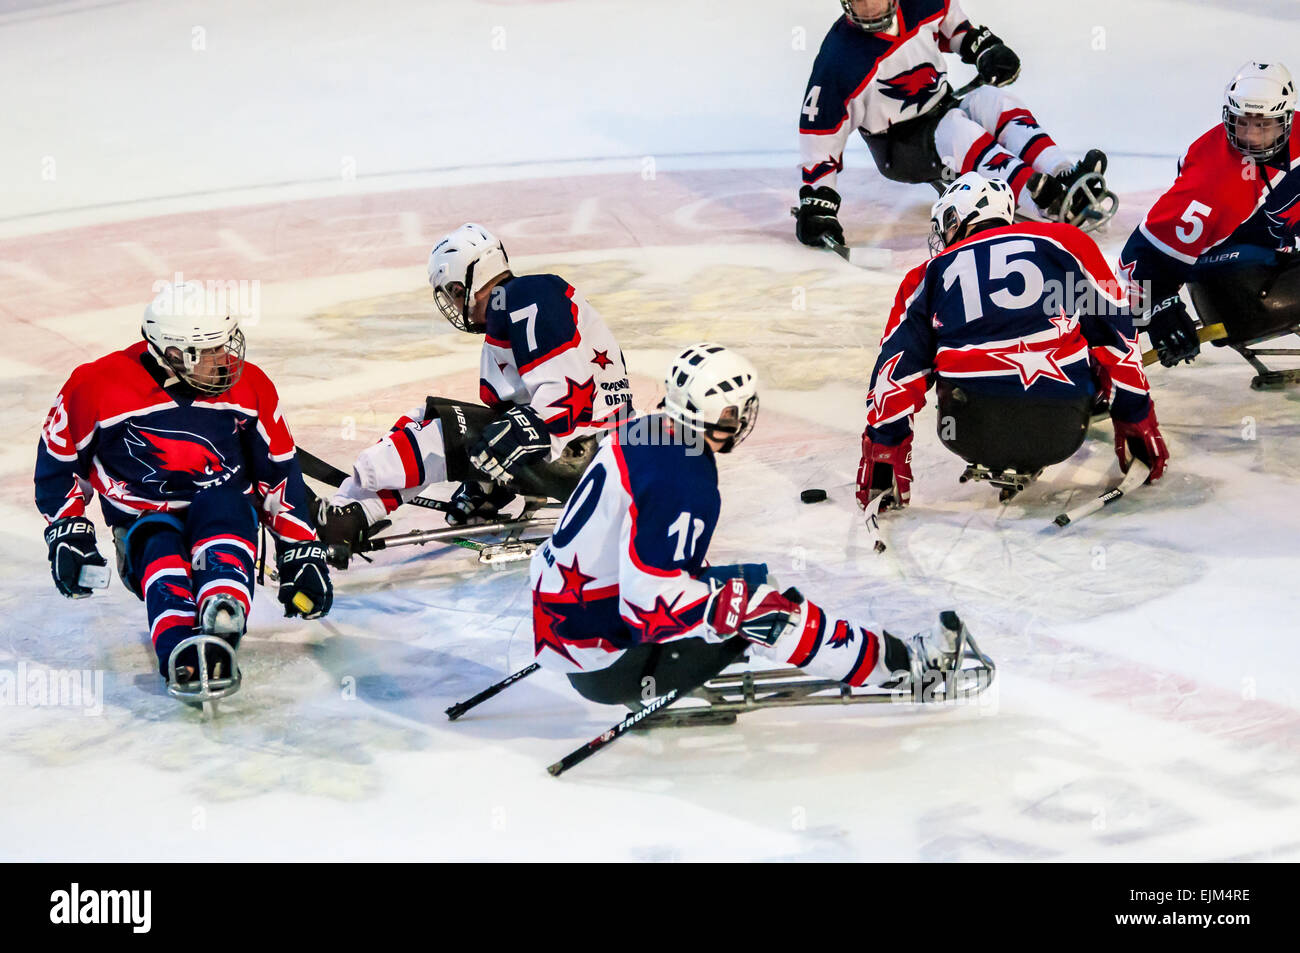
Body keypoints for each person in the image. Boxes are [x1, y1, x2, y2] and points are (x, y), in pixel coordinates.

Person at [527, 343, 966, 706]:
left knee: (753, 581)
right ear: (716, 416)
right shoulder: (684, 477)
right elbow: (648, 604)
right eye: (735, 413)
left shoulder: (644, 429)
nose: (741, 421)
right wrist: (738, 609)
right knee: (766, 608)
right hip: (606, 663)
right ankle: (902, 668)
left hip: (566, 625)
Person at [34, 280, 332, 698]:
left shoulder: (249, 386)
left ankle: (222, 606)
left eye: (225, 345)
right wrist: (68, 534)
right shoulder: (95, 387)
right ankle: (179, 646)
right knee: (159, 541)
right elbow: (57, 464)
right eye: (210, 351)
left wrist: (299, 550)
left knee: (225, 503)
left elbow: (278, 472)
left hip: (225, 511)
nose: (225, 359)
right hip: (141, 520)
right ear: (173, 354)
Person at [315, 223, 634, 556]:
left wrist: (525, 435)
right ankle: (356, 506)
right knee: (430, 421)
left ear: (463, 284)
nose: (454, 303)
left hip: (589, 452)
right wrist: (490, 484)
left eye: (452, 292)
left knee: (442, 431)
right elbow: (527, 410)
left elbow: (569, 399)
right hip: (594, 447)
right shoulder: (513, 306)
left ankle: (348, 513)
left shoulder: (525, 297)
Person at [856, 172, 1169, 508]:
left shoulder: (927, 274)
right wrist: (1135, 417)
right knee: (1085, 340)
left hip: (968, 432)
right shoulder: (1066, 239)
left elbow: (897, 371)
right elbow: (1117, 332)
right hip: (1062, 429)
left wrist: (884, 453)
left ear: (958, 216)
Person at [796, 0, 1112, 248]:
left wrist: (985, 49)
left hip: (943, 105)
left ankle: (1063, 173)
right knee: (959, 131)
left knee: (994, 100)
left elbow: (956, 30)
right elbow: (820, 133)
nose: (870, 10)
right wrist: (818, 200)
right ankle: (1044, 202)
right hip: (899, 147)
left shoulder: (921, 2)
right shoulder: (839, 59)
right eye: (861, 1)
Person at [1119, 62, 1300, 373]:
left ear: (1286, 120)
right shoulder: (1213, 182)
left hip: (1267, 247)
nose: (1250, 138)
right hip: (1236, 287)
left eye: (1263, 125)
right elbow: (1140, 258)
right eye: (1242, 123)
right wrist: (1159, 307)